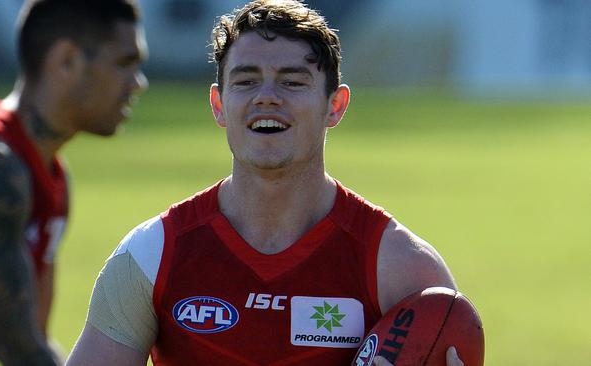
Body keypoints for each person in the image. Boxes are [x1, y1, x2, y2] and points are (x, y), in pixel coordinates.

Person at [66, 1, 471, 365]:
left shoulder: (401, 267)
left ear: (335, 105)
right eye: (246, 80)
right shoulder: (152, 254)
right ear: (219, 105)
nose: (267, 97)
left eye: (292, 82)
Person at [0, 0, 147, 364]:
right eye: (124, 63)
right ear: (66, 59)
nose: (138, 84)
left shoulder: (51, 176)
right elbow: (18, 348)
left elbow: (34, 338)